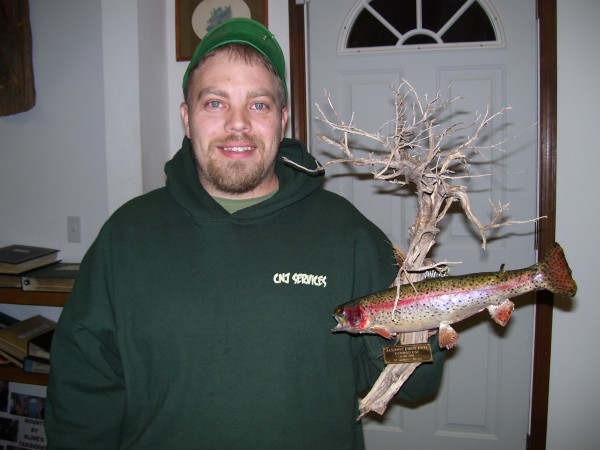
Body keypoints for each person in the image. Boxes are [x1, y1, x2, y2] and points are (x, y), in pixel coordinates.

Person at [45, 18, 445, 449]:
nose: (238, 124)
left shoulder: (346, 234)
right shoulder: (125, 238)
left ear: (282, 119)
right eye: (215, 103)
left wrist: (422, 329)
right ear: (187, 117)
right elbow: (82, 395)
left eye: (259, 105)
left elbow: (411, 383)